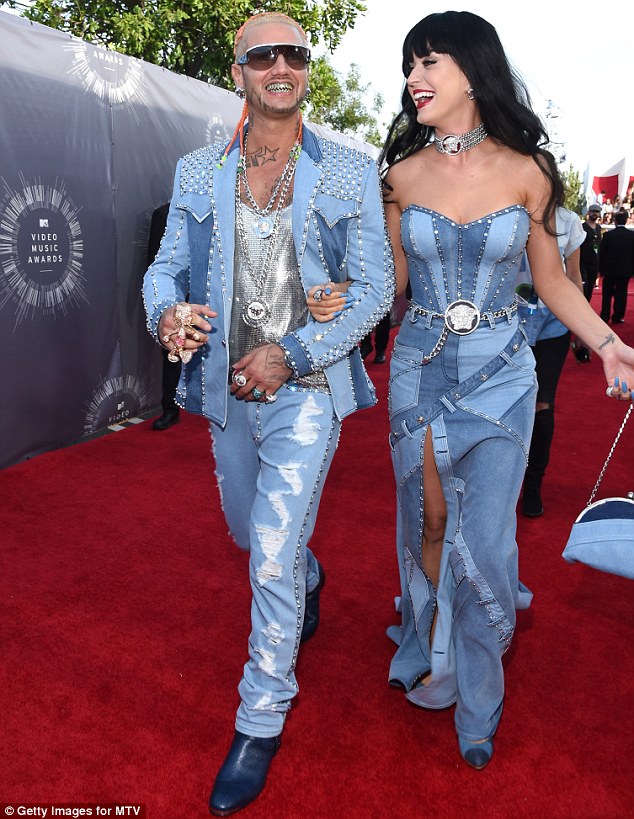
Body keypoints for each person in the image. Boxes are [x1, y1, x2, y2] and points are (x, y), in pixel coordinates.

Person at [310, 10, 634, 771]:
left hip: (502, 372)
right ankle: (432, 649)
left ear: (472, 69)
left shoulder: (530, 170)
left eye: (428, 61)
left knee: (485, 541)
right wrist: (335, 301)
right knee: (428, 522)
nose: (413, 78)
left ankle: (479, 693)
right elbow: (388, 285)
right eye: (409, 64)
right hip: (420, 367)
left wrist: (609, 343)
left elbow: (552, 281)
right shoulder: (398, 176)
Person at [143, 11, 394, 815]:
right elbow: (163, 270)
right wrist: (165, 314)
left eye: (294, 54)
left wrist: (295, 350)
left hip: (307, 389)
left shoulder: (350, 170)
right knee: (250, 535)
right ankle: (310, 575)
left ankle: (260, 714)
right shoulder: (197, 170)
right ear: (239, 72)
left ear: (306, 69)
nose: (280, 66)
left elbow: (376, 290)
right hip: (225, 391)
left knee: (272, 552)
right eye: (263, 56)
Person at [518, 207, 585, 517]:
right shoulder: (505, 210)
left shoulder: (568, 221)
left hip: (553, 325)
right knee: (505, 402)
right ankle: (502, 479)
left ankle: (533, 482)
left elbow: (574, 276)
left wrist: (581, 328)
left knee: (542, 403)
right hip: (507, 322)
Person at [147, 202, 182, 430]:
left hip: (215, 295)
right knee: (172, 353)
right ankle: (170, 408)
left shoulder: (220, 209)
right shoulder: (163, 214)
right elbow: (153, 264)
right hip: (175, 296)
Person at [599, 209, 634, 324]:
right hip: (625, 270)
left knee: (607, 294)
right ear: (626, 221)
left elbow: (602, 253)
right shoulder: (631, 236)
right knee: (621, 294)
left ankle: (605, 316)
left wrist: (600, 269)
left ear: (615, 221)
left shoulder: (608, 235)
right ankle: (617, 316)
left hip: (609, 269)